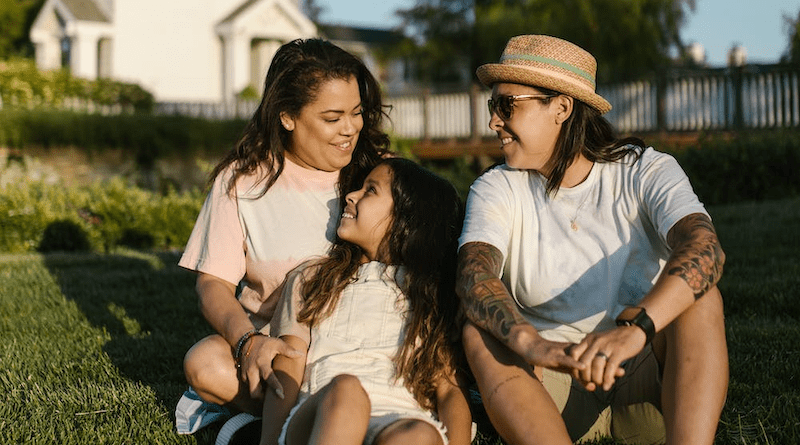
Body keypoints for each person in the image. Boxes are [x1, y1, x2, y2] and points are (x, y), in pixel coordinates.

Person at [456, 35, 728, 445]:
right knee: (479, 329)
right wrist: (536, 346)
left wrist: (636, 330)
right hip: (552, 388)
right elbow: (474, 276)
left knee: (702, 297)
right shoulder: (496, 188)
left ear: (561, 107)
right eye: (493, 106)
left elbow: (706, 249)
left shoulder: (643, 170)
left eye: (506, 105)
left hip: (644, 376)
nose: (493, 120)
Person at [175, 38, 391, 438]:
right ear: (287, 116)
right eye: (333, 118)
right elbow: (212, 284)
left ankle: (264, 426)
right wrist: (248, 343)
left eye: (357, 113)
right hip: (279, 352)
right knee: (206, 363)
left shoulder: (380, 177)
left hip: (363, 348)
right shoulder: (243, 182)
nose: (351, 129)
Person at [260, 158, 472, 445]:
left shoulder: (429, 294)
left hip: (399, 416)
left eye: (370, 190)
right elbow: (289, 364)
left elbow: (448, 390)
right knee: (347, 391)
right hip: (322, 412)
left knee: (419, 435)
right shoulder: (313, 278)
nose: (351, 195)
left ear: (406, 218)